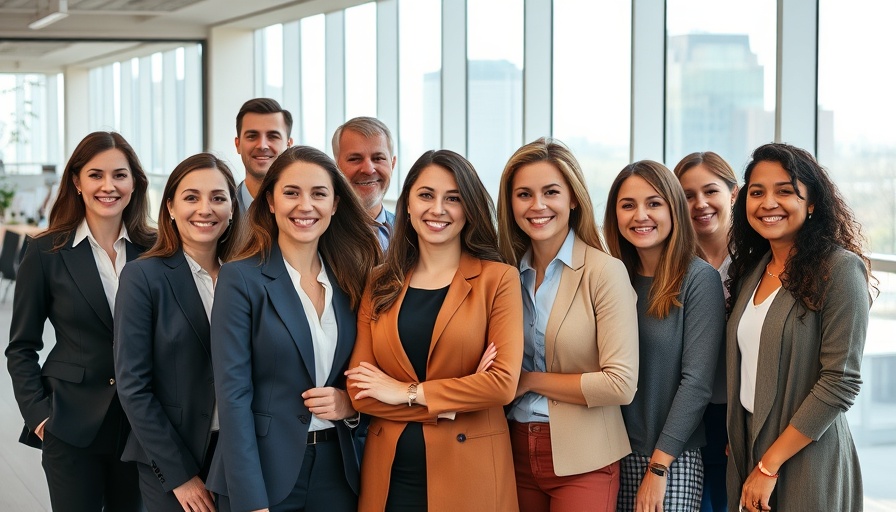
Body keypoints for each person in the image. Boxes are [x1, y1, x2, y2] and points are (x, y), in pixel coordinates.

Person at [345, 149, 524, 512]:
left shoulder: (498, 279)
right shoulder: (380, 282)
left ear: (469, 209)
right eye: (426, 195)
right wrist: (451, 404)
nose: (437, 209)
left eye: (453, 198)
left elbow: (502, 385)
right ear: (407, 204)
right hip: (389, 475)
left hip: (470, 475)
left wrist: (403, 392)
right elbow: (360, 393)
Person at [207, 145, 381, 512]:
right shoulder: (241, 278)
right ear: (270, 201)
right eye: (291, 193)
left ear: (335, 204)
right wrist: (250, 498)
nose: (306, 206)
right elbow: (233, 397)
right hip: (263, 476)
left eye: (319, 193)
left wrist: (351, 405)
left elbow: (374, 369)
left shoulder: (354, 279)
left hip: (340, 472)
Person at [6, 131, 155, 511]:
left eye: (120, 175)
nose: (109, 186)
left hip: (144, 426)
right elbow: (22, 346)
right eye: (96, 175)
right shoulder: (46, 251)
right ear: (76, 181)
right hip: (70, 423)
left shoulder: (157, 249)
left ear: (135, 181)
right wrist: (40, 416)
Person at [726, 143, 872, 512]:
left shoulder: (839, 269)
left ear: (811, 204)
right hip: (751, 446)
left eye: (785, 191)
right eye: (757, 192)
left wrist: (769, 465)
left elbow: (840, 381)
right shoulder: (753, 270)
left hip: (806, 454)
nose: (768, 202)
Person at [496, 138, 639, 512]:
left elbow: (620, 384)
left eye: (551, 192)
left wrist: (526, 380)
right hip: (511, 447)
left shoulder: (605, 272)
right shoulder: (505, 274)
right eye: (524, 194)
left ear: (573, 198)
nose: (537, 205)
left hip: (586, 457)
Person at [114, 153, 242, 511]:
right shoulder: (143, 277)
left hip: (239, 452)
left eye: (218, 198)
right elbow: (133, 386)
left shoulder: (249, 276)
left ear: (233, 208)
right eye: (191, 197)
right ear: (169, 206)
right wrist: (180, 475)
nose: (206, 209)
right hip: (174, 456)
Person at [603, 160, 724, 511]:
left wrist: (658, 467)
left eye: (654, 203)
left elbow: (697, 383)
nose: (641, 215)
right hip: (609, 453)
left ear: (673, 208)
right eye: (628, 205)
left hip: (668, 458)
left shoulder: (699, 279)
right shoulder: (610, 276)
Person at [673, 151, 738, 512]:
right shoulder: (673, 263)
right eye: (687, 195)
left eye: (710, 191)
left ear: (733, 194)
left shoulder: (760, 260)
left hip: (740, 410)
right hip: (689, 411)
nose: (700, 204)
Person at [332, 116, 397, 250]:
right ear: (336, 167)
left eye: (378, 158)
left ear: (393, 164)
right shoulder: (319, 233)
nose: (368, 170)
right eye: (355, 159)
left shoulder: (412, 234)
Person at [234, 98, 293, 213]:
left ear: (289, 145)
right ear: (238, 144)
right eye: (252, 136)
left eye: (273, 136)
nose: (262, 146)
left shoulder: (303, 213)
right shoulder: (222, 212)